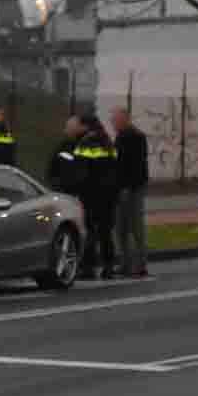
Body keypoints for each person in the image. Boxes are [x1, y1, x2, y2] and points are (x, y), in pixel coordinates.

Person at [73, 113, 120, 280]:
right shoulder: (108, 142)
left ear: (85, 126)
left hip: (91, 195)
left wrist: (78, 192)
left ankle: (88, 268)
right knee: (106, 231)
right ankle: (108, 267)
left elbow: (81, 172)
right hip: (109, 195)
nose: (76, 127)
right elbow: (115, 170)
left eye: (78, 124)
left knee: (90, 231)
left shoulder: (86, 143)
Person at [112, 106, 150, 277]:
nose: (113, 123)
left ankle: (139, 264)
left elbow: (136, 166)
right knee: (121, 227)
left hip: (132, 188)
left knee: (134, 226)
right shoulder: (121, 136)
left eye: (116, 119)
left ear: (125, 119)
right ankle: (126, 263)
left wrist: (127, 187)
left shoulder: (135, 137)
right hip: (123, 188)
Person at [47, 116, 86, 194]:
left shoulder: (85, 147)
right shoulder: (64, 145)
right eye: (67, 128)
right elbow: (52, 167)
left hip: (73, 192)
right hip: (61, 189)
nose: (65, 131)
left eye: (68, 128)